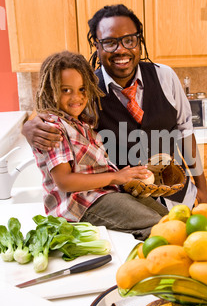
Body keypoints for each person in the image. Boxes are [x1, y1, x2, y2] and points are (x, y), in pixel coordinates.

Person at [22, 4, 207, 209]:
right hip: (127, 206)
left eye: (129, 40)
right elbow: (50, 113)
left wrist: (202, 189)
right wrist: (28, 127)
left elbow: (185, 132)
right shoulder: (85, 89)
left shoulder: (165, 77)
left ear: (139, 42)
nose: (121, 50)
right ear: (97, 45)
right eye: (110, 42)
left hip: (180, 199)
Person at [31, 50, 168, 241]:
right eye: (65, 90)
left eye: (81, 89)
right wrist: (115, 177)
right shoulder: (53, 129)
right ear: (49, 90)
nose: (76, 97)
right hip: (80, 205)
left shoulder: (82, 124)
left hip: (102, 195)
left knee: (169, 220)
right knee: (158, 227)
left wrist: (125, 177)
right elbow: (64, 181)